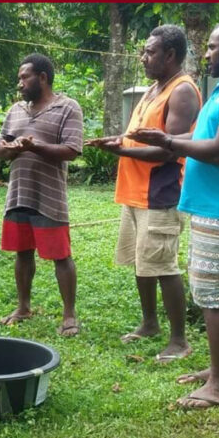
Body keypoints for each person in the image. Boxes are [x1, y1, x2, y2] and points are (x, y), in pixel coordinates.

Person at [129, 20, 219, 409]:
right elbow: (203, 136)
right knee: (215, 290)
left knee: (212, 292)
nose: (205, 54)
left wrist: (170, 142)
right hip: (213, 205)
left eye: (211, 47)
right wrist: (167, 140)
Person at [85, 25, 201, 362]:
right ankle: (149, 323)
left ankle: (179, 340)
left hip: (161, 193)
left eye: (150, 52)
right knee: (142, 263)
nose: (143, 57)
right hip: (135, 193)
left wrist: (121, 153)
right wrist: (118, 142)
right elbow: (141, 137)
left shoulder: (181, 91)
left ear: (170, 55)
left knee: (164, 267)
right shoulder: (153, 89)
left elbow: (169, 150)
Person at [0, 53, 83, 337]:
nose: (20, 83)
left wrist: (34, 146)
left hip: (50, 196)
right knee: (22, 252)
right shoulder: (16, 110)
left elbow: (72, 149)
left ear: (42, 77)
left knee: (61, 255)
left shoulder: (67, 107)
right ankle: (23, 307)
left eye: (24, 77)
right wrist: (12, 148)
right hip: (19, 193)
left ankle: (69, 315)